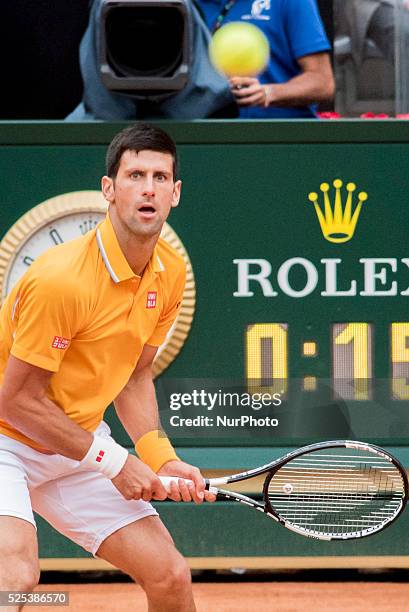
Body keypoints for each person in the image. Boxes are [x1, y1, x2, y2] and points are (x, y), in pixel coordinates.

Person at [0, 123, 214, 611]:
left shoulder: (170, 271)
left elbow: (135, 375)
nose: (148, 188)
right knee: (15, 578)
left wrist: (160, 457)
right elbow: (16, 400)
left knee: (170, 577)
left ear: (175, 194)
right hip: (6, 439)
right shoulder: (61, 280)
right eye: (135, 174)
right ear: (109, 190)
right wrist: (114, 461)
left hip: (74, 441)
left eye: (161, 178)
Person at [197, 0, 335, 118]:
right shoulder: (186, 5)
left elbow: (322, 82)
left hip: (280, 138)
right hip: (203, 135)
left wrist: (268, 93)